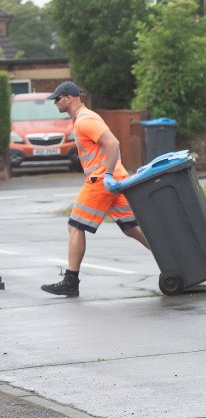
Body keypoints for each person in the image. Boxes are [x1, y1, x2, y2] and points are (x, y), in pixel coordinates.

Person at [40, 81, 149, 297]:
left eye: (57, 99)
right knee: (131, 228)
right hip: (115, 179)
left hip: (101, 180)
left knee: (75, 226)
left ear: (69, 98)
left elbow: (113, 143)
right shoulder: (83, 118)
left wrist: (107, 174)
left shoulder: (85, 120)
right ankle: (172, 258)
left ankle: (71, 281)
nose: (55, 103)